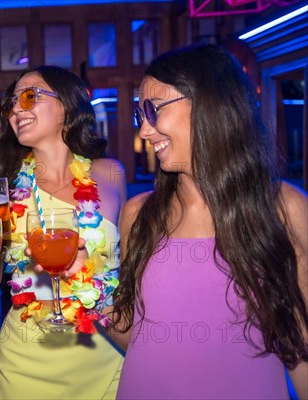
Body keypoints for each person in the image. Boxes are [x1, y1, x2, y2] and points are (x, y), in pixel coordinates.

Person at [112, 43, 308, 399]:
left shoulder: (284, 209)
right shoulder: (138, 214)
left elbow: (301, 346)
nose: (144, 131)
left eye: (153, 110)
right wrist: (82, 288)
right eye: (141, 115)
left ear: (209, 106)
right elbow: (130, 334)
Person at [0, 65, 127, 399]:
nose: (16, 110)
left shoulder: (110, 173)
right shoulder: (2, 190)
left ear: (66, 104)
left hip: (105, 351)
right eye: (11, 105)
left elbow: (130, 264)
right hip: (28, 358)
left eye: (28, 97)